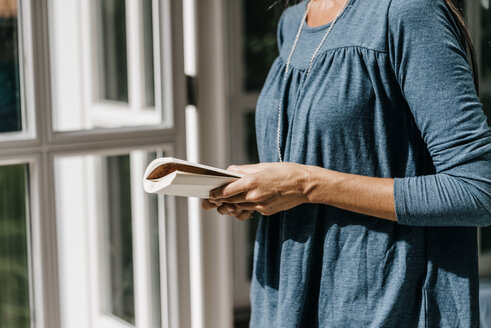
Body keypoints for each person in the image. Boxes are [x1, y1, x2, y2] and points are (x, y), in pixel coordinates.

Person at [203, 0, 491, 326]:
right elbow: (320, 161)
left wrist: (306, 185)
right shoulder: (292, 23)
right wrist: (261, 194)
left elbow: (476, 189)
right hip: (282, 305)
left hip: (382, 310)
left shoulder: (409, 11)